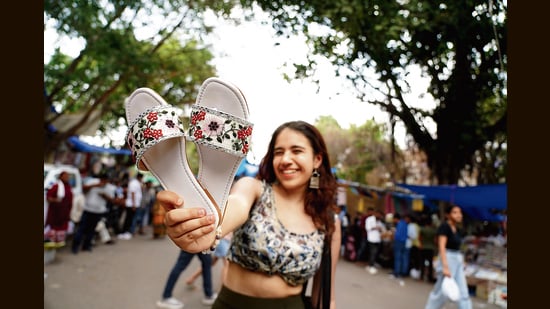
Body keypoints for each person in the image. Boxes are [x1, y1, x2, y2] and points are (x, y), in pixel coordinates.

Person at [157, 120, 341, 309]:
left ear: (317, 159)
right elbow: (236, 204)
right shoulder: (253, 189)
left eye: (296, 151)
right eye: (279, 152)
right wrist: (208, 227)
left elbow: (326, 296)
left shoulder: (328, 222)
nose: (286, 159)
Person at [425, 205, 472, 309]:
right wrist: (445, 267)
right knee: (440, 292)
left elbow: (458, 248)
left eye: (459, 212)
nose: (459, 215)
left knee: (463, 291)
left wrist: (462, 261)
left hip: (457, 259)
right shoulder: (444, 227)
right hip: (447, 258)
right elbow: (441, 247)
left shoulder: (457, 229)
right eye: (455, 212)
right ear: (448, 215)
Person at [71, 173, 115, 254]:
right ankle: (75, 247)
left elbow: (112, 200)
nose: (104, 182)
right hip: (88, 210)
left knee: (91, 230)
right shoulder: (92, 182)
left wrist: (105, 196)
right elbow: (83, 189)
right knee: (81, 229)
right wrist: (95, 186)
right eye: (103, 180)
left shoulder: (109, 187)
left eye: (106, 181)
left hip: (98, 211)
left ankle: (86, 246)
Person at [45, 171, 74, 244]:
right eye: (65, 176)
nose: (67, 178)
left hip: (64, 214)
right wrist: (56, 200)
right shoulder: (56, 186)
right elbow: (48, 197)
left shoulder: (68, 187)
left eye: (68, 177)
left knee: (61, 232)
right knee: (53, 232)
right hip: (55, 214)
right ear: (61, 177)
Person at [118, 173, 143, 240]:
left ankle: (126, 232)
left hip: (133, 204)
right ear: (139, 177)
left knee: (130, 219)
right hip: (131, 204)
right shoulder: (134, 183)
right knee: (128, 219)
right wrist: (134, 204)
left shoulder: (136, 183)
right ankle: (124, 232)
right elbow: (132, 193)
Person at [390, 213, 409, 286]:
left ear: (395, 218)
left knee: (397, 258)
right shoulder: (405, 224)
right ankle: (403, 272)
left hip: (398, 242)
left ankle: (397, 272)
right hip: (404, 242)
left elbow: (397, 235)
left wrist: (393, 236)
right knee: (403, 258)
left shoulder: (399, 224)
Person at [365, 208, 385, 274]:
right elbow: (367, 228)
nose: (379, 216)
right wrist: (375, 228)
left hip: (377, 239)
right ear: (375, 213)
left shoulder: (380, 221)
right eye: (378, 214)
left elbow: (382, 230)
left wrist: (380, 229)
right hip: (371, 238)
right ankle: (371, 266)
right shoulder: (369, 219)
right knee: (373, 252)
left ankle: (371, 264)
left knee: (375, 253)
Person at [419, 214, 437, 283]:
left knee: (422, 263)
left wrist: (421, 245)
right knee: (430, 264)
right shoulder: (433, 231)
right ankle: (430, 278)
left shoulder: (422, 229)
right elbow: (435, 240)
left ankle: (421, 277)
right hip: (431, 248)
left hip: (423, 247)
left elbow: (419, 238)